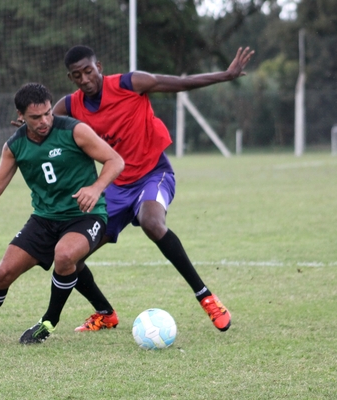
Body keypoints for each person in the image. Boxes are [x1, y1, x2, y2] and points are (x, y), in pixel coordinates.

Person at [50, 45, 255, 333]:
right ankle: (105, 313)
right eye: (76, 75)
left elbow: (180, 83)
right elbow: (43, 122)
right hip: (115, 186)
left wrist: (226, 74)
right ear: (71, 78)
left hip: (153, 174)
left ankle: (206, 297)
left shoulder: (130, 83)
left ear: (100, 66)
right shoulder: (70, 106)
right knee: (72, 255)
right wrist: (25, 123)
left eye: (88, 71)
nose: (84, 79)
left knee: (151, 221)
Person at [0, 83, 124, 344]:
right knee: (3, 273)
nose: (45, 120)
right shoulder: (15, 146)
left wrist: (95, 188)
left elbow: (115, 160)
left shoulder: (74, 131)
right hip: (44, 219)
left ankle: (48, 323)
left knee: (65, 255)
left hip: (86, 215)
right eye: (36, 117)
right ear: (20, 116)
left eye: (48, 113)